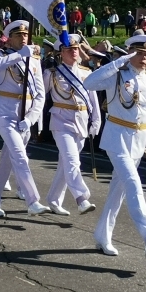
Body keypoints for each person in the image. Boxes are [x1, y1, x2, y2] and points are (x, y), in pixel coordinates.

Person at [83, 35, 146, 259]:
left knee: (118, 193)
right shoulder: (116, 75)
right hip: (117, 137)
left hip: (139, 140)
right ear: (131, 54)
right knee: (133, 184)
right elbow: (89, 83)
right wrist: (116, 63)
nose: (144, 59)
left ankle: (102, 236)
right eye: (140, 54)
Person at [0, 20, 50, 217]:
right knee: (20, 156)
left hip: (25, 115)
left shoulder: (35, 60)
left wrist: (31, 118)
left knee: (8, 160)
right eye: (18, 35)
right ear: (10, 39)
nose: (23, 38)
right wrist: (20, 55)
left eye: (25, 35)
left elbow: (40, 94)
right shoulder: (3, 56)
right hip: (5, 114)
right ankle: (33, 200)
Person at [44, 34, 101, 215]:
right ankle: (81, 198)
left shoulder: (86, 73)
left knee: (65, 164)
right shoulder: (52, 73)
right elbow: (39, 95)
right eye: (69, 49)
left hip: (81, 121)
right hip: (61, 120)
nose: (74, 52)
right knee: (72, 161)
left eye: (76, 48)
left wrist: (96, 120)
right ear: (61, 52)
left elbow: (93, 100)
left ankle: (53, 199)